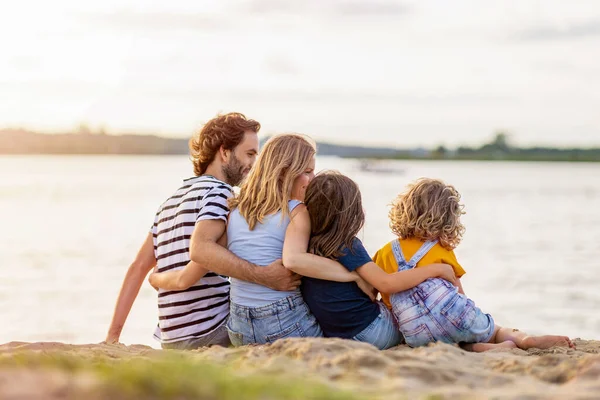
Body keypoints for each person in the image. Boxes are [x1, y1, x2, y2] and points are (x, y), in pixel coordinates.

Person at [150, 134, 370, 345]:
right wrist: (352, 275)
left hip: (239, 327)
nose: (313, 180)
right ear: (285, 172)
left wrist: (158, 278)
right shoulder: (296, 210)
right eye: (308, 172)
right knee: (334, 335)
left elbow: (199, 265)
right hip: (283, 319)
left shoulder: (234, 208)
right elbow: (297, 261)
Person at [106, 113, 298, 350]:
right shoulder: (219, 193)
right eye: (249, 153)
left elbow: (137, 268)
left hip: (171, 338)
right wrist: (265, 276)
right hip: (213, 330)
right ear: (224, 152)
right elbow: (203, 250)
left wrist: (112, 338)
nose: (253, 163)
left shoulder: (169, 202)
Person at [373, 178, 575, 352]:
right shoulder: (441, 250)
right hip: (455, 315)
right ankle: (523, 340)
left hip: (415, 333)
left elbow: (378, 294)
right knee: (494, 330)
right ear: (449, 218)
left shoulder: (385, 252)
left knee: (449, 342)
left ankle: (471, 348)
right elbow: (458, 293)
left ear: (403, 211)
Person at [283, 171, 457, 349]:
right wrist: (436, 270)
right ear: (351, 212)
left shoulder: (305, 245)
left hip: (335, 334)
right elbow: (385, 284)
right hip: (372, 332)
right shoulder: (347, 245)